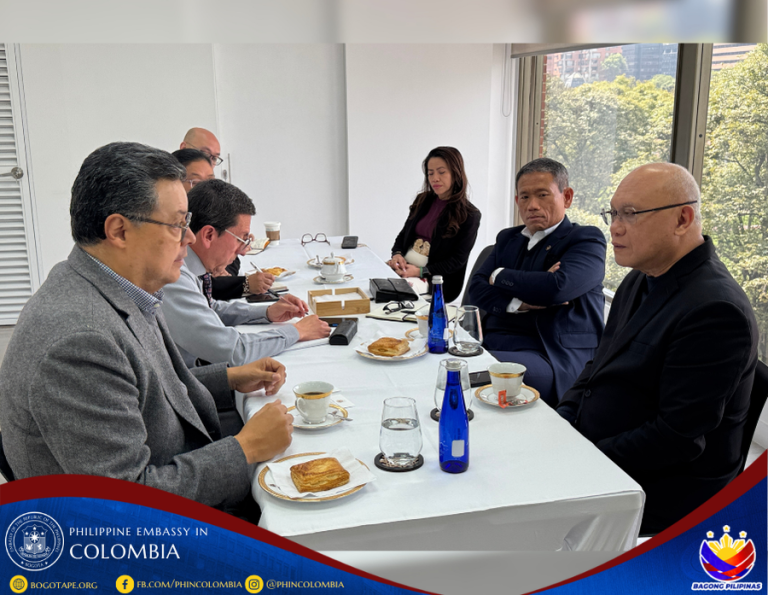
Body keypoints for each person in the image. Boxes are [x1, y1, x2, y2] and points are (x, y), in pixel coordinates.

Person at [0, 142, 293, 513]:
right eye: (178, 224)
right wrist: (246, 448)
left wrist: (231, 377)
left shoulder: (117, 286)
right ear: (119, 231)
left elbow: (148, 386)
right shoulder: (79, 342)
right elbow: (126, 501)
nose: (189, 238)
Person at [557, 163, 758, 534]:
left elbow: (676, 438)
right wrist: (563, 418)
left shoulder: (716, 310)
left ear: (682, 219)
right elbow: (598, 364)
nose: (615, 227)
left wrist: (582, 459)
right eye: (613, 213)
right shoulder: (641, 276)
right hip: (601, 452)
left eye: (630, 214)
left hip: (659, 491)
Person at [468, 158, 606, 407]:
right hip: (491, 341)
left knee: (465, 372)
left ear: (567, 197)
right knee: (437, 358)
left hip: (549, 354)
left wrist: (498, 275)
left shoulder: (585, 240)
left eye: (542, 195)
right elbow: (476, 288)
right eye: (524, 197)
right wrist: (519, 302)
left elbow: (556, 288)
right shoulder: (508, 238)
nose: (532, 205)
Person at [161, 179, 330, 368]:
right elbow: (234, 351)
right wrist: (297, 332)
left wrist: (266, 313)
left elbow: (210, 309)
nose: (243, 251)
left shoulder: (192, 268)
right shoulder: (174, 276)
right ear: (209, 235)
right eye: (241, 239)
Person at [172, 148, 273, 300]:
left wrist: (266, 312)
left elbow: (211, 305)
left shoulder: (197, 266)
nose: (188, 239)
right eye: (197, 182)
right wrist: (244, 284)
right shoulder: (176, 268)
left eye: (210, 181)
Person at [387, 146, 481, 303]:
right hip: (405, 268)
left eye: (441, 172)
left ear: (456, 173)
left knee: (390, 294)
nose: (435, 178)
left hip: (436, 280)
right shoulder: (423, 200)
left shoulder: (469, 214)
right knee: (375, 282)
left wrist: (420, 271)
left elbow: (457, 261)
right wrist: (397, 254)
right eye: (430, 173)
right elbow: (403, 235)